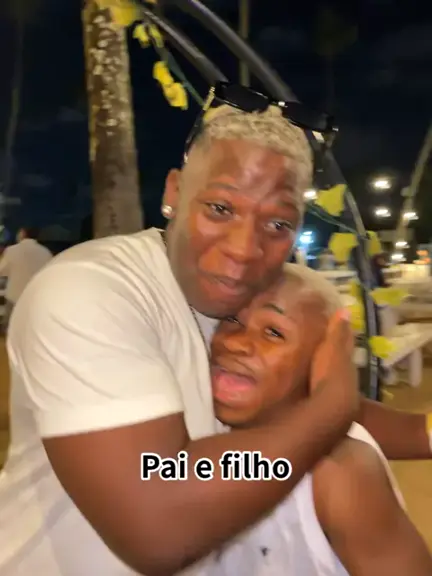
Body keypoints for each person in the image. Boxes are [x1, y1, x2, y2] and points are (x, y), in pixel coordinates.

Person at [0, 102, 430, 575]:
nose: (243, 249)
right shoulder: (91, 291)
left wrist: (415, 430)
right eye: (220, 208)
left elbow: (291, 397)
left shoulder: (245, 294)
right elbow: (159, 520)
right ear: (174, 192)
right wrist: (331, 410)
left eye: (278, 224)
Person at [209, 265, 432, 576]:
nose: (235, 342)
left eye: (273, 332)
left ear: (324, 362)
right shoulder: (201, 429)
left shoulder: (339, 477)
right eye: (231, 319)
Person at [0, 227, 52, 333]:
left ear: (23, 234)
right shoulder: (45, 252)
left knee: (10, 327)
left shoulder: (12, 250)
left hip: (14, 295)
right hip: (35, 296)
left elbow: (2, 270)